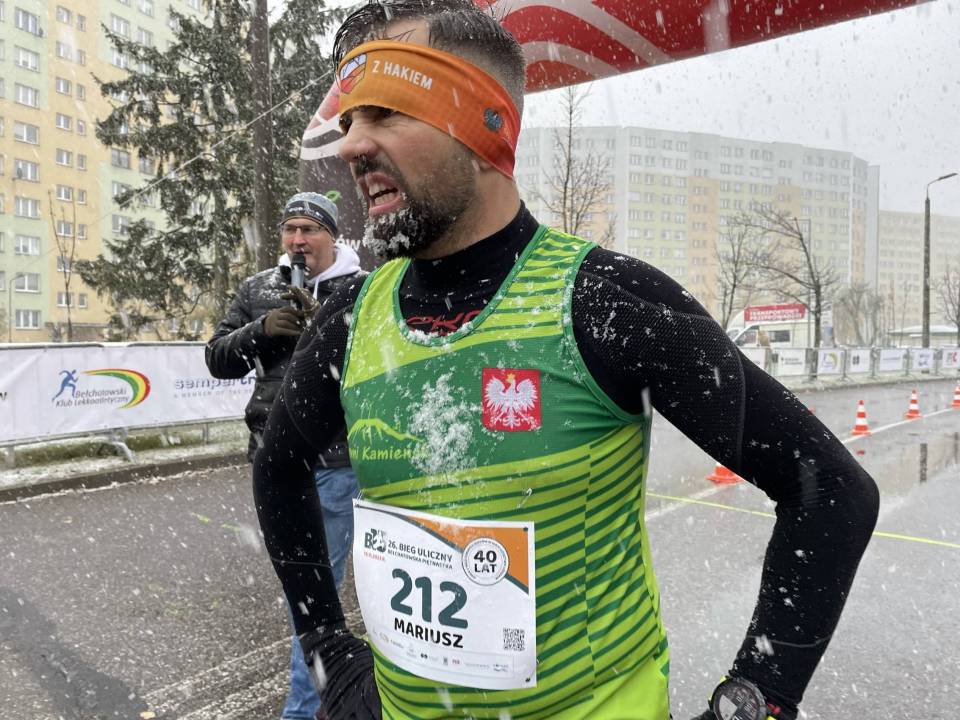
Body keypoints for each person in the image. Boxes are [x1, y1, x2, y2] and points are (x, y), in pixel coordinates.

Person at [252, 3, 879, 719]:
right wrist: (327, 649)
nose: (352, 145)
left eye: (387, 112)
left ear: (485, 124)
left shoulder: (603, 302)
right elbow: (279, 466)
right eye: (350, 119)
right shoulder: (353, 316)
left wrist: (751, 704)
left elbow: (831, 491)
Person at [205, 191, 362, 720]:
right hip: (274, 466)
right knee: (304, 589)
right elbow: (217, 358)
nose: (298, 240)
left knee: (313, 597)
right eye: (290, 229)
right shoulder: (259, 289)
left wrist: (331, 332)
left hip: (336, 462)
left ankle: (303, 710)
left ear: (332, 236)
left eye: (309, 230)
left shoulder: (363, 287)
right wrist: (262, 332)